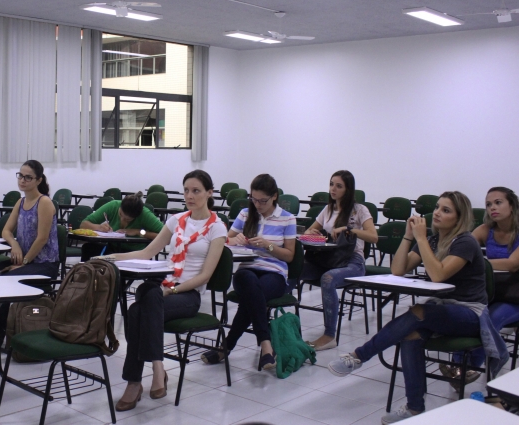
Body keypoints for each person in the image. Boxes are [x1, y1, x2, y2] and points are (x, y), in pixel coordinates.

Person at [326, 191, 507, 424]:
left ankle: (358, 356)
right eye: (438, 207)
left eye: (446, 210)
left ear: (459, 218)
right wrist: (408, 236)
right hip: (442, 309)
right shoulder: (432, 241)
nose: (437, 213)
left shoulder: (465, 242)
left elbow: (438, 274)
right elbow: (398, 270)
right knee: (411, 335)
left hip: (471, 314)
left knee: (419, 312)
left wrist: (421, 239)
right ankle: (414, 408)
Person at [104, 170, 227, 411]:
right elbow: (147, 252)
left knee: (139, 308)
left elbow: (205, 276)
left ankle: (135, 382)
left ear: (209, 193)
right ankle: (157, 368)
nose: (189, 196)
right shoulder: (177, 220)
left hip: (187, 295)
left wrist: (172, 291)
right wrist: (111, 258)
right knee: (146, 298)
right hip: (162, 289)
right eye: (186, 190)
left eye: (196, 191)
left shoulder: (217, 228)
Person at [201, 174, 296, 371]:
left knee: (251, 297)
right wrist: (234, 240)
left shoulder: (287, 218)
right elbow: (224, 240)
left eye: (263, 201)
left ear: (274, 197)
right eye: (254, 199)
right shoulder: (245, 214)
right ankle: (266, 347)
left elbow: (289, 256)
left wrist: (269, 246)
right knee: (250, 286)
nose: (258, 204)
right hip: (246, 270)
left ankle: (227, 347)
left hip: (274, 273)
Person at [444, 187, 519, 386]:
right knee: (468, 315)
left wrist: (477, 263)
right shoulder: (486, 230)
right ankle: (457, 366)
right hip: (491, 292)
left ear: (512, 205)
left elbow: (512, 264)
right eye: (488, 204)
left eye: (498, 202)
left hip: (514, 296)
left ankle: (469, 367)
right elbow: (461, 246)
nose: (492, 207)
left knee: (490, 319)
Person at [297, 170, 377, 350]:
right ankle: (271, 315)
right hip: (328, 259)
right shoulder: (328, 209)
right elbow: (309, 230)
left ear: (348, 189)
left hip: (353, 262)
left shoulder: (359, 210)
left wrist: (349, 230)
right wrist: (312, 232)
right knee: (294, 269)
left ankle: (329, 335)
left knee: (328, 278)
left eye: (339, 186)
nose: (333, 189)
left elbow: (374, 236)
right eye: (331, 184)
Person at [0, 160, 60, 340]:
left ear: (38, 180)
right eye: (20, 176)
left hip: (44, 264)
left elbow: (42, 238)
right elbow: (6, 230)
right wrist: (15, 244)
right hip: (25, 259)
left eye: (28, 177)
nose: (22, 180)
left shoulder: (44, 202)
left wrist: (24, 262)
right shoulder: (21, 202)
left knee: (5, 280)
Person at [78, 191, 164, 261]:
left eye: (128, 220)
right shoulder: (113, 206)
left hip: (134, 253)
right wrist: (99, 227)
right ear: (120, 207)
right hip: (113, 248)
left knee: (115, 263)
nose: (122, 220)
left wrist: (138, 232)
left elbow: (166, 237)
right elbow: (84, 224)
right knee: (88, 248)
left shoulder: (145, 215)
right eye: (120, 214)